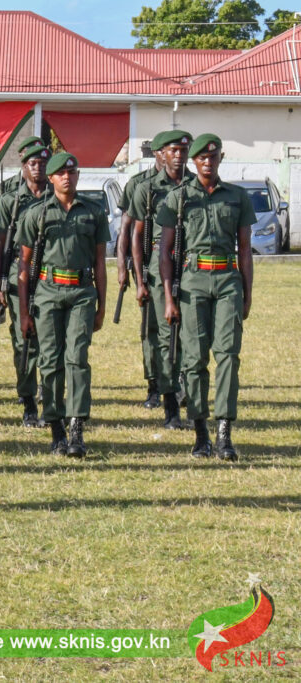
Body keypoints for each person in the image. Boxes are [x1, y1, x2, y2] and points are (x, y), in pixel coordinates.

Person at [157, 134, 255, 461]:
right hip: (193, 281)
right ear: (194, 162)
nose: (208, 162)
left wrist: (247, 293)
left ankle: (224, 432)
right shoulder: (178, 199)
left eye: (213, 158)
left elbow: (245, 251)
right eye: (202, 158)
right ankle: (200, 432)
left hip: (228, 279)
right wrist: (169, 299)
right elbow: (165, 252)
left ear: (220, 159)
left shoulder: (238, 198)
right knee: (195, 359)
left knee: (228, 355)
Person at [17, 152, 108, 457]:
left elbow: (99, 262)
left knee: (77, 359)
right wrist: (24, 313)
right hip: (48, 292)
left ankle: (76, 428)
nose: (68, 177)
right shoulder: (36, 214)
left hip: (82, 292)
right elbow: (25, 265)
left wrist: (102, 306)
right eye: (61, 173)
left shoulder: (93, 212)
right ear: (52, 179)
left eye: (73, 172)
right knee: (51, 361)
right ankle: (56, 428)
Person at [129, 130, 193, 430]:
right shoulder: (148, 188)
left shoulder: (198, 185)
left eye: (183, 151)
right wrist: (139, 279)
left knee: (192, 336)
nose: (179, 156)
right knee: (164, 338)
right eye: (173, 151)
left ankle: (190, 399)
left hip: (194, 265)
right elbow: (136, 235)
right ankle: (168, 404)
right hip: (158, 265)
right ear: (161, 154)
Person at [0, 144, 52, 427]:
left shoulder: (58, 196)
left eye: (42, 162)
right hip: (17, 274)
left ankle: (50, 398)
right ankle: (27, 400)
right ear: (23, 166)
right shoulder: (9, 200)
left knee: (50, 339)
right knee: (23, 339)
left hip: (51, 273)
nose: (38, 167)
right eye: (32, 162)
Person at [116, 138, 165, 408]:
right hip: (149, 264)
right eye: (169, 150)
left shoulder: (190, 182)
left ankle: (180, 381)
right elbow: (126, 229)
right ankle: (154, 384)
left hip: (185, 263)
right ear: (157, 153)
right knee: (152, 327)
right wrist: (123, 267)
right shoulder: (138, 184)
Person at [0, 135, 46, 214]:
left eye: (38, 154)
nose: (33, 157)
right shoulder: (5, 188)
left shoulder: (52, 187)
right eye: (29, 153)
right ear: (21, 155)